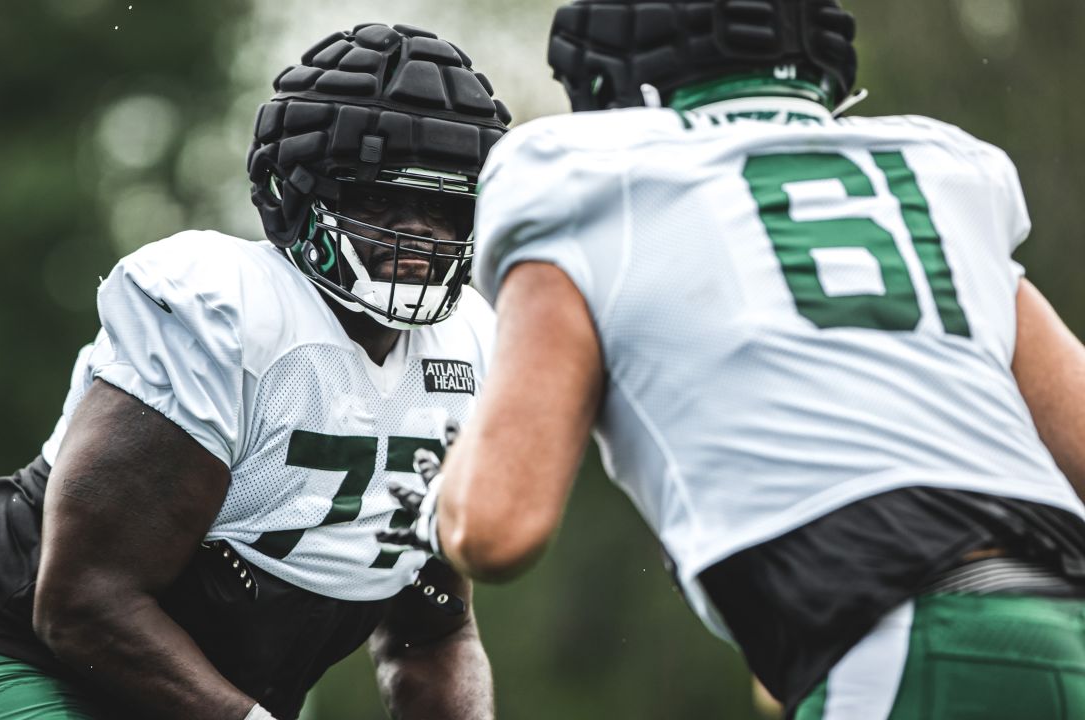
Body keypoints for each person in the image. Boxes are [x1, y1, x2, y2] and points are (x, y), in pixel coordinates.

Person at [379, 1, 1085, 718]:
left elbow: (499, 528)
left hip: (909, 647)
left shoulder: (584, 176)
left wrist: (440, 506)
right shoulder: (937, 171)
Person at [0, 22, 510, 720]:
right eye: (380, 198)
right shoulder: (227, 313)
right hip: (9, 654)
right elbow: (86, 602)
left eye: (444, 206)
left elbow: (431, 630)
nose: (418, 233)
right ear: (294, 192)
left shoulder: (471, 347)